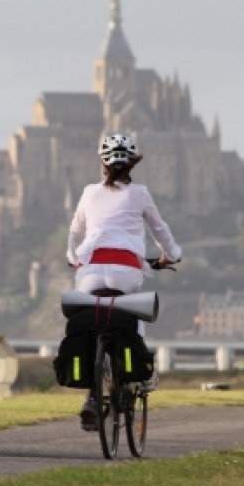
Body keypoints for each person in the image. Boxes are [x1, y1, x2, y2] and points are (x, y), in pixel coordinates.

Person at [67, 133, 182, 430]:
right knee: (131, 312)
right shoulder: (140, 193)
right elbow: (161, 230)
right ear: (132, 163)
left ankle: (93, 397)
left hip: (89, 270)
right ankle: (141, 374)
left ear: (102, 163)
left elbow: (75, 234)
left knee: (93, 322)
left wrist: (72, 257)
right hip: (126, 269)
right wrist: (173, 254)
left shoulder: (89, 192)